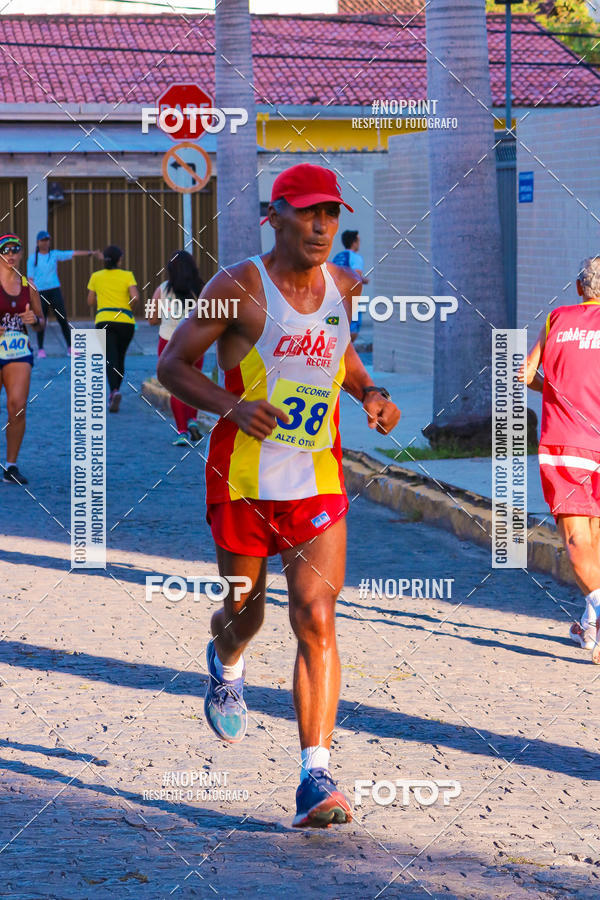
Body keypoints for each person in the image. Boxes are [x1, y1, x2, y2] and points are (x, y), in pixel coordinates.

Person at [158, 163, 401, 827]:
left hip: (317, 477)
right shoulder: (235, 287)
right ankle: (224, 657)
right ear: (277, 216)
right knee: (247, 615)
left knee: (316, 615)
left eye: (332, 214)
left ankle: (315, 776)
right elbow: (172, 364)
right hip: (242, 479)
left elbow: (340, 350)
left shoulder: (344, 284)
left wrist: (369, 393)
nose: (323, 226)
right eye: (310, 213)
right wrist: (233, 407)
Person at [524, 256, 600, 664]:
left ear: (578, 288)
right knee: (596, 537)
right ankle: (591, 624)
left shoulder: (557, 321)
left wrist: (552, 389)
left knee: (576, 539)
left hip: (566, 444)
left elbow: (529, 373)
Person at [148, 250, 206, 446]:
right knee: (194, 384)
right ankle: (193, 420)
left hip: (169, 342)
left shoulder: (162, 289)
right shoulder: (202, 289)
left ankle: (181, 431)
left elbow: (152, 319)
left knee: (176, 388)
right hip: (196, 342)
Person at [0, 233, 45, 484]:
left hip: (17, 349)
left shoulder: (29, 285)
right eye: (5, 250)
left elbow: (41, 323)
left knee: (17, 406)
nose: (10, 255)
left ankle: (11, 466)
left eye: (15, 250)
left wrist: (34, 320)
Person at [26, 230, 101, 357]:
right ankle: (41, 349)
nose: (45, 243)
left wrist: (91, 253)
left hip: (55, 290)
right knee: (41, 321)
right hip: (40, 293)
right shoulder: (33, 258)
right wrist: (32, 296)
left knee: (62, 319)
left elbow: (72, 253)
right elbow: (30, 279)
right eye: (43, 240)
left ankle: (70, 347)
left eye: (47, 240)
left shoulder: (54, 254)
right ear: (38, 242)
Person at [87, 246, 139, 413]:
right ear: (119, 260)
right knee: (120, 357)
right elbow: (135, 297)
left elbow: (90, 301)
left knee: (110, 357)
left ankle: (113, 392)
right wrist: (127, 308)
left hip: (104, 320)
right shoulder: (127, 275)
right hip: (125, 321)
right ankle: (116, 390)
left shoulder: (96, 276)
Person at [332, 229, 369, 342]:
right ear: (354, 242)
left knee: (337, 327)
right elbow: (355, 279)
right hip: (350, 298)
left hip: (335, 298)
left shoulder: (338, 257)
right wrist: (364, 280)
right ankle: (346, 355)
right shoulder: (356, 257)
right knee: (353, 331)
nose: (359, 243)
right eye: (358, 240)